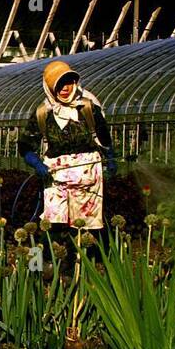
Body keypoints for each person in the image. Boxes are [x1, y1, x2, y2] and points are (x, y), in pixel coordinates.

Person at [16, 60, 117, 246]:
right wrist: (36, 163)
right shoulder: (43, 113)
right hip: (55, 175)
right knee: (53, 222)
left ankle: (80, 266)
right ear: (50, 87)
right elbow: (25, 145)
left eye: (69, 82)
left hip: (88, 173)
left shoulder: (88, 108)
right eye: (59, 84)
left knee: (85, 224)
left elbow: (104, 137)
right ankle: (51, 264)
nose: (65, 88)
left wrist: (110, 158)